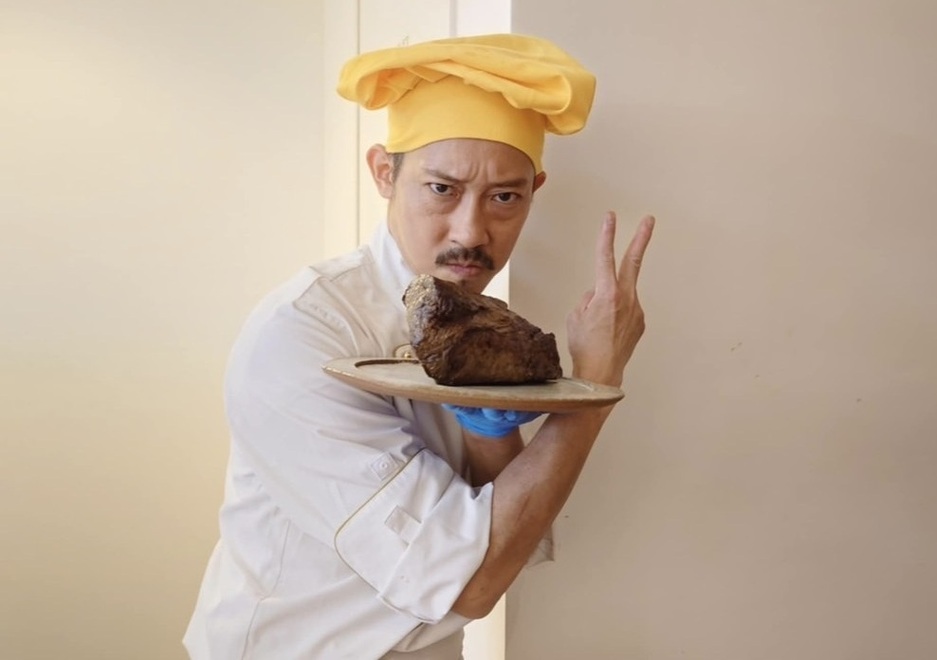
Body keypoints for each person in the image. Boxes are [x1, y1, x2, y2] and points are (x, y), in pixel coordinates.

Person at [184, 33, 655, 659]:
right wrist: (595, 384)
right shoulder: (304, 331)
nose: (472, 232)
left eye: (504, 197)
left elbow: (512, 528)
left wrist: (492, 434)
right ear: (385, 172)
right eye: (442, 189)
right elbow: (470, 579)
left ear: (534, 191)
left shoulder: (490, 327)